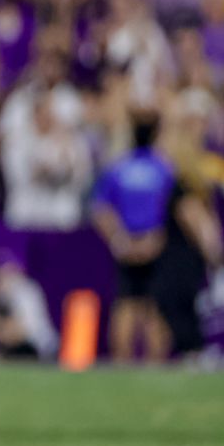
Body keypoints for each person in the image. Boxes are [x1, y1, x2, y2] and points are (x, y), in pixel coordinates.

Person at [91, 114, 176, 363]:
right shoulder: (164, 169)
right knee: (155, 308)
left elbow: (101, 210)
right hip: (156, 245)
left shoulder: (119, 167)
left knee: (125, 305)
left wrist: (121, 240)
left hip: (127, 245)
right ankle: (156, 364)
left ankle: (122, 364)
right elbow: (175, 209)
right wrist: (155, 241)